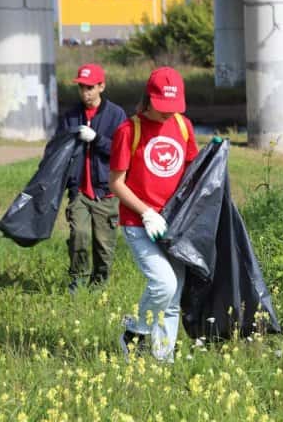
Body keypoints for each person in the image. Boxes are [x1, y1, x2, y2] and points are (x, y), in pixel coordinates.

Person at [109, 67, 199, 362]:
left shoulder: (183, 127)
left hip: (175, 226)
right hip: (139, 223)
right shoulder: (128, 131)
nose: (167, 114)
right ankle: (134, 334)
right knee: (164, 283)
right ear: (148, 99)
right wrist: (147, 212)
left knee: (174, 298)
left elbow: (193, 172)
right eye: (162, 108)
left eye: (173, 108)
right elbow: (116, 183)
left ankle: (164, 359)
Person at [62, 63, 127, 293]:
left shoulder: (116, 114)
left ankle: (99, 287)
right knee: (78, 234)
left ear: (102, 86)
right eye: (81, 87)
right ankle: (77, 282)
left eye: (90, 87)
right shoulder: (70, 115)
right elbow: (61, 151)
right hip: (79, 190)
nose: (85, 93)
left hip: (105, 192)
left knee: (103, 245)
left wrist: (96, 138)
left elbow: (121, 151)